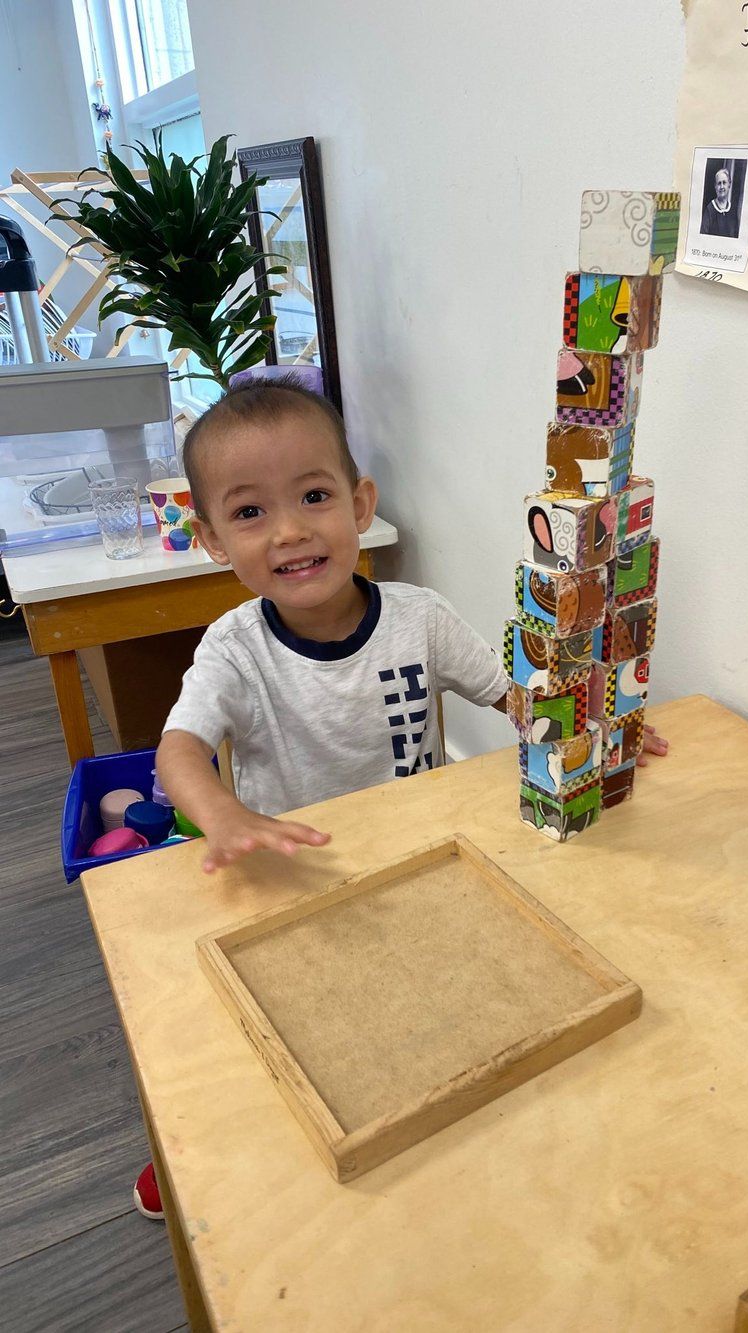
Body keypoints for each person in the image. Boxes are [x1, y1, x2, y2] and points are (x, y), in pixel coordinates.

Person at [131, 375, 669, 1220]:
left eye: (314, 495)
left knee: (427, 1024)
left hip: (424, 862)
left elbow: (514, 697)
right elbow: (178, 751)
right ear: (208, 539)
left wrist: (604, 721)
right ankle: (194, 1151)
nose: (292, 530)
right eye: (249, 513)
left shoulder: (419, 615)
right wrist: (224, 814)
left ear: (360, 501)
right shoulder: (232, 649)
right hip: (298, 882)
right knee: (272, 1038)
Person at [700, 166, 740, 238]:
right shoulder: (710, 209)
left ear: (729, 184)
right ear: (715, 186)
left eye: (724, 183)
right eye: (719, 183)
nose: (721, 187)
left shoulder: (733, 210)